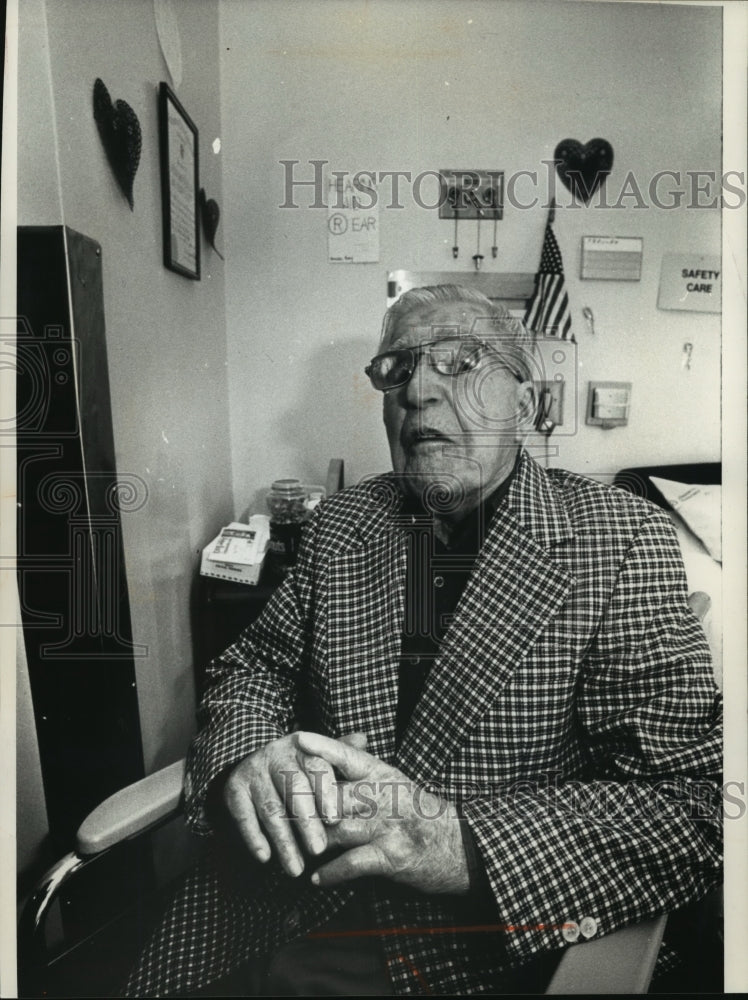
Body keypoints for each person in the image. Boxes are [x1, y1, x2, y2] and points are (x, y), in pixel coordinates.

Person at [126, 285, 722, 996]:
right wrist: (249, 756)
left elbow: (694, 806)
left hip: (470, 942)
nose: (419, 392)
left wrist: (453, 840)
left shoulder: (620, 538)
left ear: (525, 403)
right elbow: (254, 669)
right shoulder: (344, 524)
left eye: (461, 362)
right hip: (270, 901)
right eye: (398, 369)